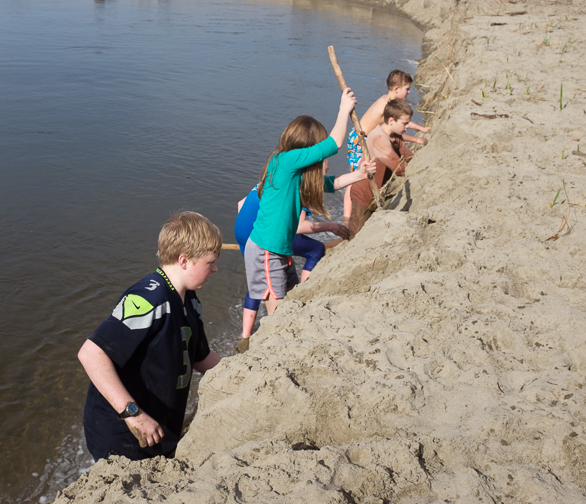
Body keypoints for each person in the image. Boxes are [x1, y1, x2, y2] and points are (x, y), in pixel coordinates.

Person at [78, 211, 223, 461]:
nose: (215, 269)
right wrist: (133, 414)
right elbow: (91, 353)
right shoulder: (148, 300)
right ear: (184, 260)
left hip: (162, 426)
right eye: (210, 263)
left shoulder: (190, 299)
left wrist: (241, 370)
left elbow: (199, 357)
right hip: (123, 433)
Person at [232, 158, 374, 352]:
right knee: (314, 250)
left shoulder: (274, 179)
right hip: (264, 236)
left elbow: (241, 204)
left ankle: (245, 336)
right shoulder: (300, 190)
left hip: (244, 231)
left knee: (259, 280)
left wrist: (358, 174)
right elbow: (298, 227)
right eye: (325, 171)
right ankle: (298, 297)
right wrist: (331, 226)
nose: (326, 176)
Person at [244, 88, 357, 322]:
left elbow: (329, 184)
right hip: (266, 249)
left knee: (291, 299)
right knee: (277, 313)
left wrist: (361, 175)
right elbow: (333, 143)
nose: (319, 157)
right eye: (315, 150)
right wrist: (343, 110)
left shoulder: (293, 171)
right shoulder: (286, 161)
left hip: (279, 248)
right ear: (306, 148)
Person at [344, 70, 429, 216]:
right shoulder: (385, 105)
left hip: (366, 137)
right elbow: (396, 127)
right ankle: (347, 215)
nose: (408, 92)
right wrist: (416, 138)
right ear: (397, 89)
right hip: (359, 140)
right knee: (356, 177)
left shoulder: (389, 102)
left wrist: (421, 129)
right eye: (407, 89)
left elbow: (402, 122)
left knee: (363, 173)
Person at [348, 98, 416, 237]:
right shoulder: (379, 137)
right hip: (363, 193)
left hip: (376, 191)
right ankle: (323, 250)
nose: (408, 126)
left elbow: (409, 158)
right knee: (354, 236)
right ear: (391, 121)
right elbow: (399, 168)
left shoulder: (395, 136)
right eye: (405, 123)